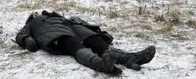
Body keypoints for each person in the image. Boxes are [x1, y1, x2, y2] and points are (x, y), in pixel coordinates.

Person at [16, 10, 156, 75]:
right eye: (34, 14)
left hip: (71, 26)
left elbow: (79, 21)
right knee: (74, 45)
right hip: (54, 34)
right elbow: (21, 36)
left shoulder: (57, 16)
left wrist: (101, 34)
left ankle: (129, 58)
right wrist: (28, 41)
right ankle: (101, 64)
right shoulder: (32, 24)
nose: (37, 13)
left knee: (93, 40)